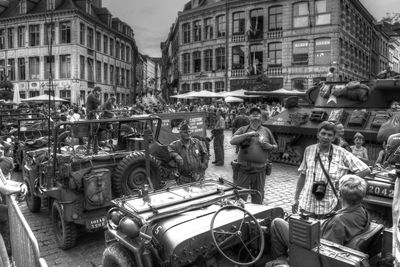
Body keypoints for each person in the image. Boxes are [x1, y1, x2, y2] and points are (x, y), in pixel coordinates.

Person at [269, 174, 370, 263]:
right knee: (290, 220)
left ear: (339, 195)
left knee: (277, 223)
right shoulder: (362, 211)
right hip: (321, 237)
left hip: (311, 248)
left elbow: (325, 254)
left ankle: (281, 260)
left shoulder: (338, 222)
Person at [292, 121, 370, 219]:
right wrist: (295, 198)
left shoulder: (341, 152)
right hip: (307, 204)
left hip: (329, 207)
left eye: (329, 135)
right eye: (323, 133)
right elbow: (303, 175)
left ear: (333, 138)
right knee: (306, 232)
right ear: (318, 135)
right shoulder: (309, 150)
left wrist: (345, 183)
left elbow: (365, 169)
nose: (325, 137)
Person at [230, 106, 278, 204]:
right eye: (252, 113)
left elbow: (276, 147)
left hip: (260, 171)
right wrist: (247, 134)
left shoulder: (266, 131)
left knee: (258, 197)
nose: (255, 115)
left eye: (258, 113)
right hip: (244, 170)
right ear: (249, 117)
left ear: (261, 117)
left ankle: (257, 217)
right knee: (240, 197)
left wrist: (268, 146)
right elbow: (232, 141)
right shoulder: (243, 129)